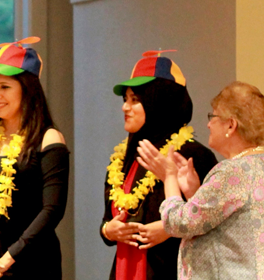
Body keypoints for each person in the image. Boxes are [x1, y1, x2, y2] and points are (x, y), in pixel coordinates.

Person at [0, 37, 69, 280]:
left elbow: (52, 210)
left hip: (32, 261)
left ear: (27, 90)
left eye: (5, 87)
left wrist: (8, 259)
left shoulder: (49, 139)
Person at [100, 51, 218, 280]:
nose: (125, 107)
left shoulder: (194, 155)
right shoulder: (121, 157)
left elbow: (211, 221)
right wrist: (108, 230)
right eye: (125, 99)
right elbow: (106, 221)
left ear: (160, 101)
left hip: (171, 270)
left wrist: (169, 230)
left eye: (136, 100)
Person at [137, 81, 264, 279]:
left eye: (213, 116)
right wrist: (194, 193)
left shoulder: (232, 171)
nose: (208, 124)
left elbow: (179, 223)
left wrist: (169, 177)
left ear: (231, 124)